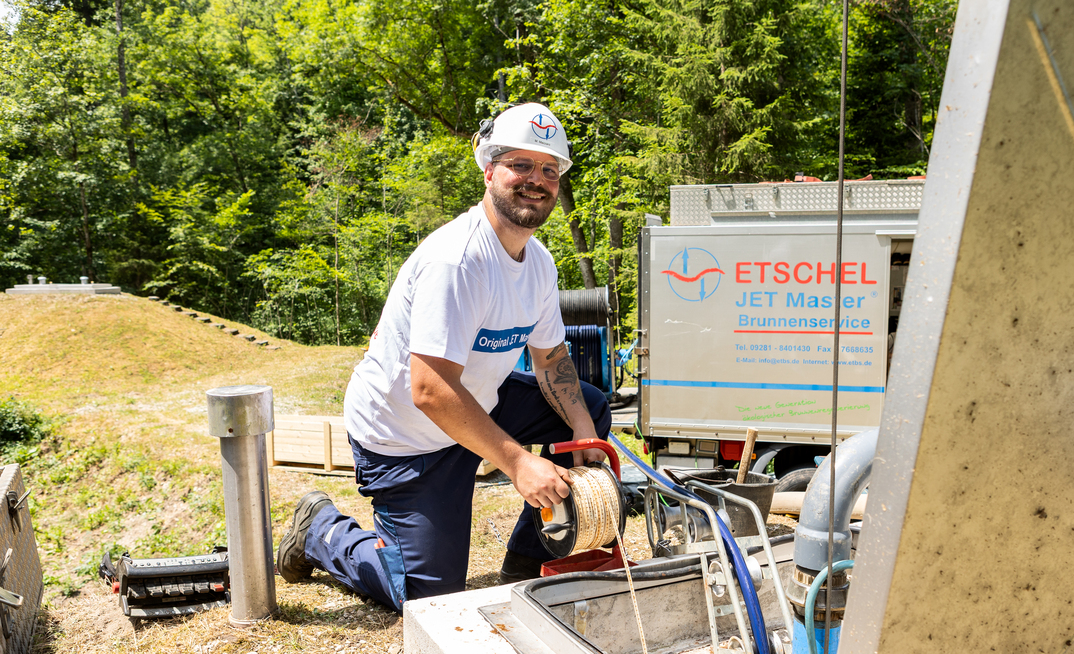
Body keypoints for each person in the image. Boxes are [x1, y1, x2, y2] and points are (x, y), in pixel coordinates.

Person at [275, 103, 612, 612]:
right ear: (489, 169)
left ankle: (529, 560)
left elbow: (551, 358)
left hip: (475, 406)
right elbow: (429, 389)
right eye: (520, 165)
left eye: (548, 169)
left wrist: (582, 430)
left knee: (588, 405)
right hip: (406, 438)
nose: (536, 180)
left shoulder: (539, 263)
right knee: (427, 597)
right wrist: (518, 461)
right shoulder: (457, 260)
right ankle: (322, 530)